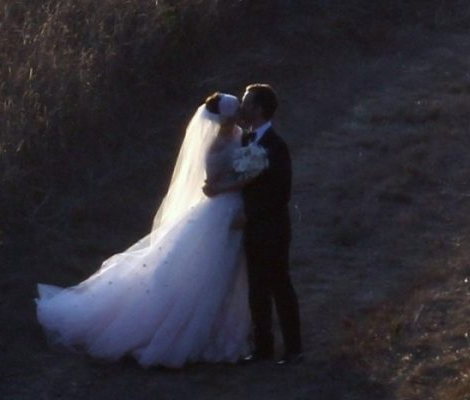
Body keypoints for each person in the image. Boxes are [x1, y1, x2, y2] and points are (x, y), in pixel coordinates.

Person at [36, 93, 250, 368]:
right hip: (221, 209)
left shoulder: (239, 135)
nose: (238, 117)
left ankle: (228, 329)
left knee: (229, 271)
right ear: (224, 118)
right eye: (233, 114)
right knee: (208, 271)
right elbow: (211, 187)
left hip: (236, 208)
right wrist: (242, 181)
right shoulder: (215, 148)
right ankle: (194, 334)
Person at [205, 83, 303, 365]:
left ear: (259, 109)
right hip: (252, 229)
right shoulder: (247, 142)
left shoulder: (275, 146)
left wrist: (251, 214)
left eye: (247, 103)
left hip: (272, 227)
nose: (242, 108)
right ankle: (263, 348)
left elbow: (281, 193)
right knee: (257, 287)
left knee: (280, 284)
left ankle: (294, 348)